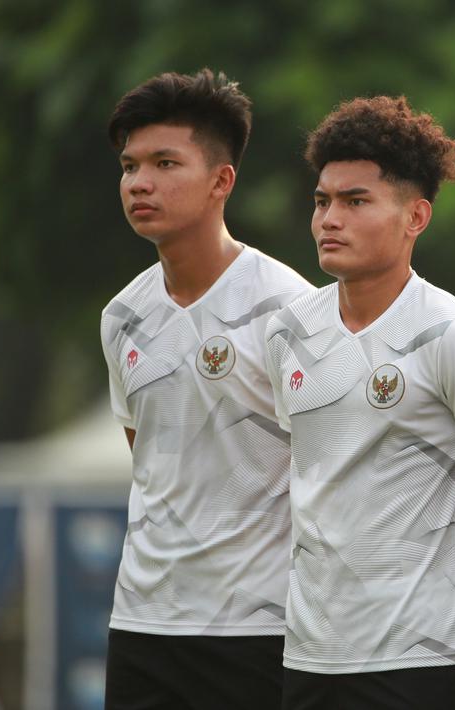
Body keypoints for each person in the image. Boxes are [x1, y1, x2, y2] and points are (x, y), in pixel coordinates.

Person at [263, 95, 455, 709]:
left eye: (355, 201)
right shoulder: (287, 331)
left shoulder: (453, 332)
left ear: (415, 216)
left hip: (419, 658)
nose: (329, 219)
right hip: (309, 653)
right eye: (322, 201)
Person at [100, 68, 313, 709]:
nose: (140, 182)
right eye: (130, 166)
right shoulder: (121, 316)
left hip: (259, 627)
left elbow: (330, 466)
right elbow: (150, 460)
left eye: (165, 163)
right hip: (141, 622)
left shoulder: (291, 310)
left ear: (222, 180)